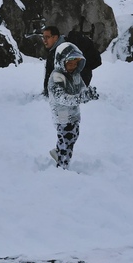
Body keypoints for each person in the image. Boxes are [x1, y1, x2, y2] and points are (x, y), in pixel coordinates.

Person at [47, 41, 91, 169]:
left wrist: (88, 94)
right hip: (62, 114)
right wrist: (80, 98)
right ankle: (62, 165)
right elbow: (61, 98)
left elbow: (82, 88)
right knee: (66, 139)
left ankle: (58, 152)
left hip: (74, 113)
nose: (72, 66)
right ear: (61, 61)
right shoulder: (57, 77)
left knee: (74, 135)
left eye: (75, 64)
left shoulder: (76, 75)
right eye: (69, 63)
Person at [41, 25, 66, 96]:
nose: (44, 40)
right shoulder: (53, 51)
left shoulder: (63, 51)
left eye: (47, 37)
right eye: (43, 37)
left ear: (55, 38)